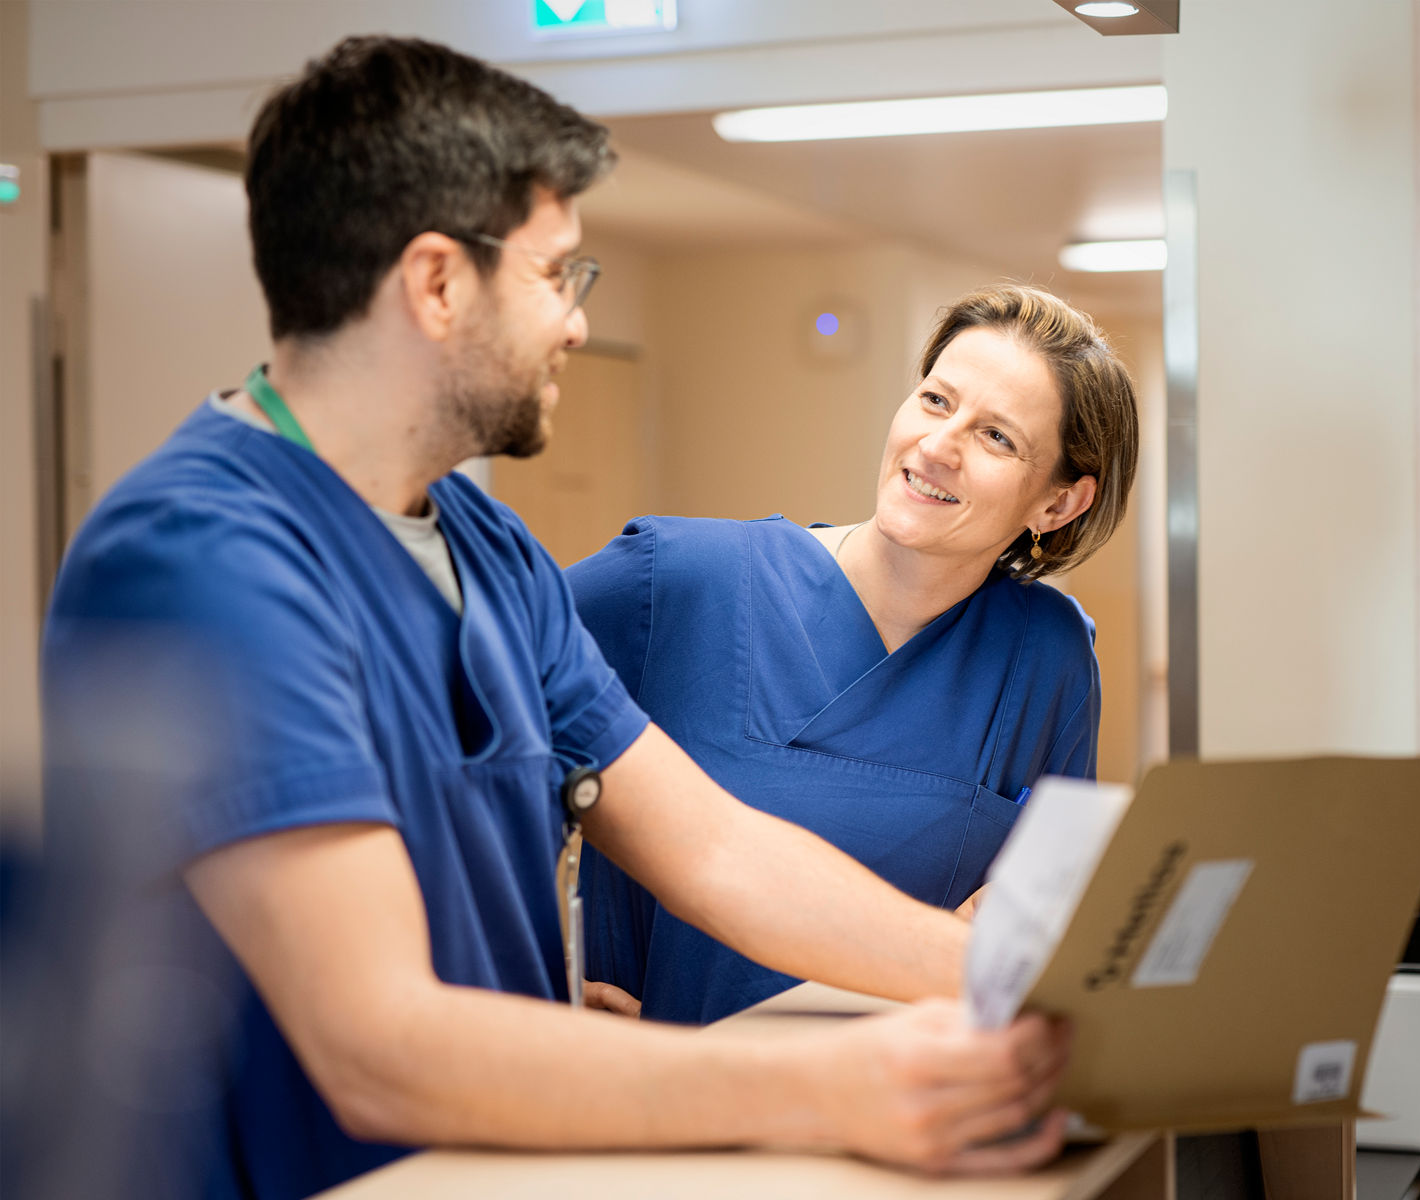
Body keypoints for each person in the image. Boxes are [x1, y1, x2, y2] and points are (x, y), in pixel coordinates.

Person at [37, 37, 1073, 1200]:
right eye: (554, 275)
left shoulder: (486, 549)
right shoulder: (202, 561)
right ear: (437, 284)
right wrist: (827, 1087)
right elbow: (378, 1046)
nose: (577, 323)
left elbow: (716, 851)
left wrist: (1009, 979)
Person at [572, 284, 1139, 1026]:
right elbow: (441, 716)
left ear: (1059, 504)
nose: (937, 447)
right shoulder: (677, 579)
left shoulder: (1047, 654)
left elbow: (1037, 920)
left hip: (902, 1087)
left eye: (996, 437)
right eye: (935, 401)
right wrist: (526, 975)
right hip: (669, 1082)